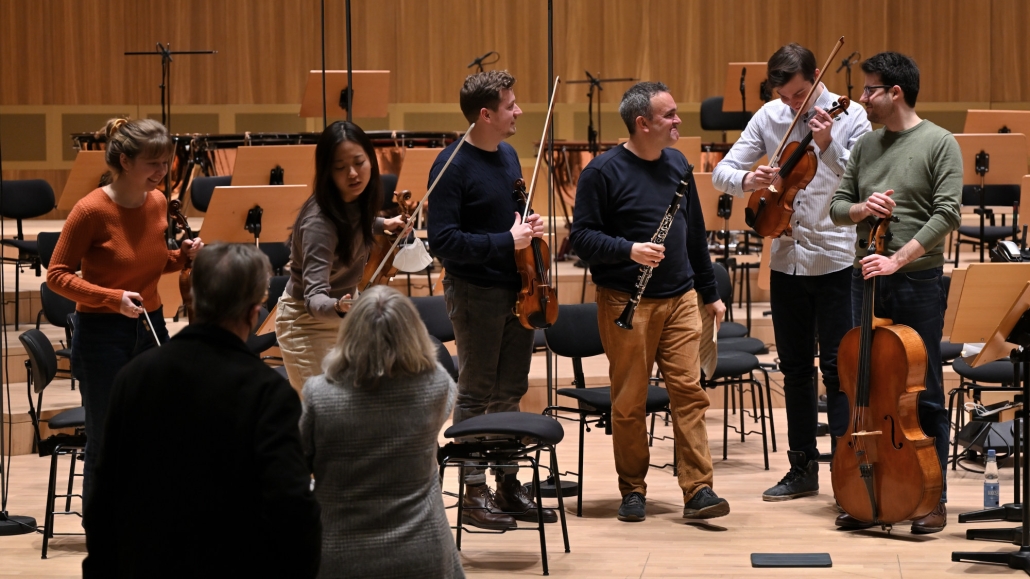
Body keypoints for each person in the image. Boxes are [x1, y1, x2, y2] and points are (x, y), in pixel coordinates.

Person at [82, 243, 321, 578]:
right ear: (255, 312)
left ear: (192, 298)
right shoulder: (268, 392)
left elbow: (105, 494)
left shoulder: (134, 377)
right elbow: (291, 507)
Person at [712, 43, 871, 501]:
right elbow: (723, 171)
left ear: (817, 76)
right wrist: (747, 180)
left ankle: (846, 469)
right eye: (784, 96)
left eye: (799, 94)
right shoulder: (769, 116)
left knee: (838, 370)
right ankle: (801, 468)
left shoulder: (852, 116)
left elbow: (861, 179)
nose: (792, 104)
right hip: (787, 260)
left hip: (836, 260)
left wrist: (828, 144)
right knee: (796, 369)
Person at [570, 81, 730, 522]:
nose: (678, 120)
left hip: (680, 298)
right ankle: (632, 490)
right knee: (629, 401)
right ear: (643, 123)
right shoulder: (602, 172)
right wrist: (629, 250)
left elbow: (694, 235)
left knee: (689, 393)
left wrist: (710, 294)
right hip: (627, 301)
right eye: (669, 115)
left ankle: (698, 489)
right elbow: (581, 238)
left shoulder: (678, 163)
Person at [829, 51, 962, 534]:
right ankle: (872, 494)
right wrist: (862, 209)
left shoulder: (939, 143)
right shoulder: (866, 145)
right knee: (866, 386)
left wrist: (897, 259)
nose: (862, 98)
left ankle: (932, 498)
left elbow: (947, 214)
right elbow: (837, 208)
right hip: (864, 278)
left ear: (895, 92)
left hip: (915, 280)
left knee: (922, 392)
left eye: (870, 89)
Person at [47, 117, 203, 502]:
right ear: (125, 161)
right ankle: (101, 527)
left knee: (159, 429)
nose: (162, 171)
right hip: (102, 336)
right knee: (106, 437)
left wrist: (181, 257)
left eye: (166, 162)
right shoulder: (90, 210)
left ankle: (148, 519)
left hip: (151, 327)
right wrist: (110, 298)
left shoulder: (159, 203)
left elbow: (148, 262)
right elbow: (56, 276)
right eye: (153, 163)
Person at [427, 70, 554, 530]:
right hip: (475, 291)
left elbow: (513, 215)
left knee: (511, 390)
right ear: (485, 114)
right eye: (510, 105)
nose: (518, 111)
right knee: (477, 390)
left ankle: (507, 483)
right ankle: (473, 491)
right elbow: (443, 241)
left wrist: (529, 224)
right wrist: (506, 240)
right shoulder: (450, 165)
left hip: (520, 288)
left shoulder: (508, 155)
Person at [300, 286, 463, 579]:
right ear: (414, 331)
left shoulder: (318, 394)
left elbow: (300, 461)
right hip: (423, 548)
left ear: (350, 333)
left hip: (343, 553)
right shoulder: (437, 385)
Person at [276, 121, 404, 393]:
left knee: (354, 404)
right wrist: (338, 307)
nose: (353, 173)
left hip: (344, 314)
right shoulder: (318, 224)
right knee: (325, 410)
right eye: (340, 167)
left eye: (359, 162)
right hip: (307, 323)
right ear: (327, 172)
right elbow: (314, 297)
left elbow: (352, 223)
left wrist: (384, 224)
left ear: (371, 160)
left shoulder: (355, 199)